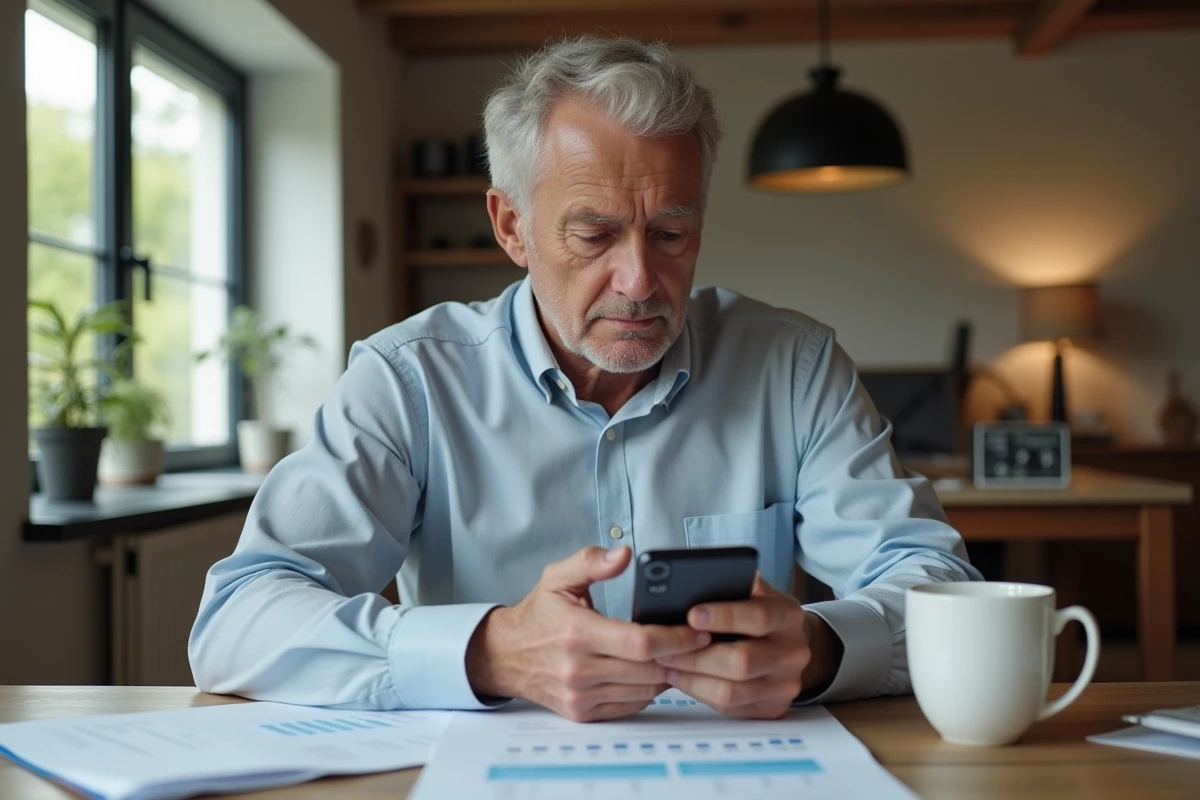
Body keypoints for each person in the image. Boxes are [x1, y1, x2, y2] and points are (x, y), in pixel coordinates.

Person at [189, 36, 980, 722]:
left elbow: (940, 586)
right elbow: (237, 621)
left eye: (671, 233)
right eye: (594, 235)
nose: (638, 280)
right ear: (512, 227)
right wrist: (489, 651)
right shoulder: (408, 382)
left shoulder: (793, 368)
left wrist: (819, 646)